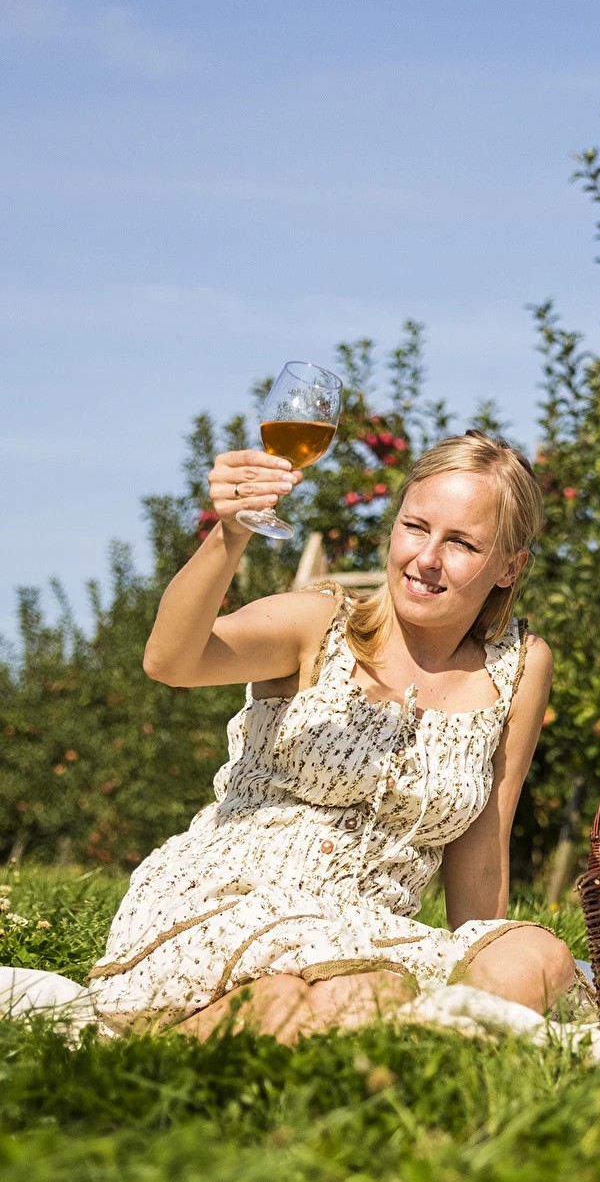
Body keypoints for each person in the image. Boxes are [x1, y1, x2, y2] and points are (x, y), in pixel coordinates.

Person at [87, 430, 575, 1040]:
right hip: (237, 897)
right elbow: (171, 661)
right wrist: (231, 531)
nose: (426, 558)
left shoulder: (520, 667)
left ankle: (425, 1053)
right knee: (354, 994)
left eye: (462, 543)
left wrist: (482, 953)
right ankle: (175, 1042)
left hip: (367, 929)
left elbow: (484, 849)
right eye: (416, 527)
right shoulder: (318, 623)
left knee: (539, 958)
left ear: (510, 567)